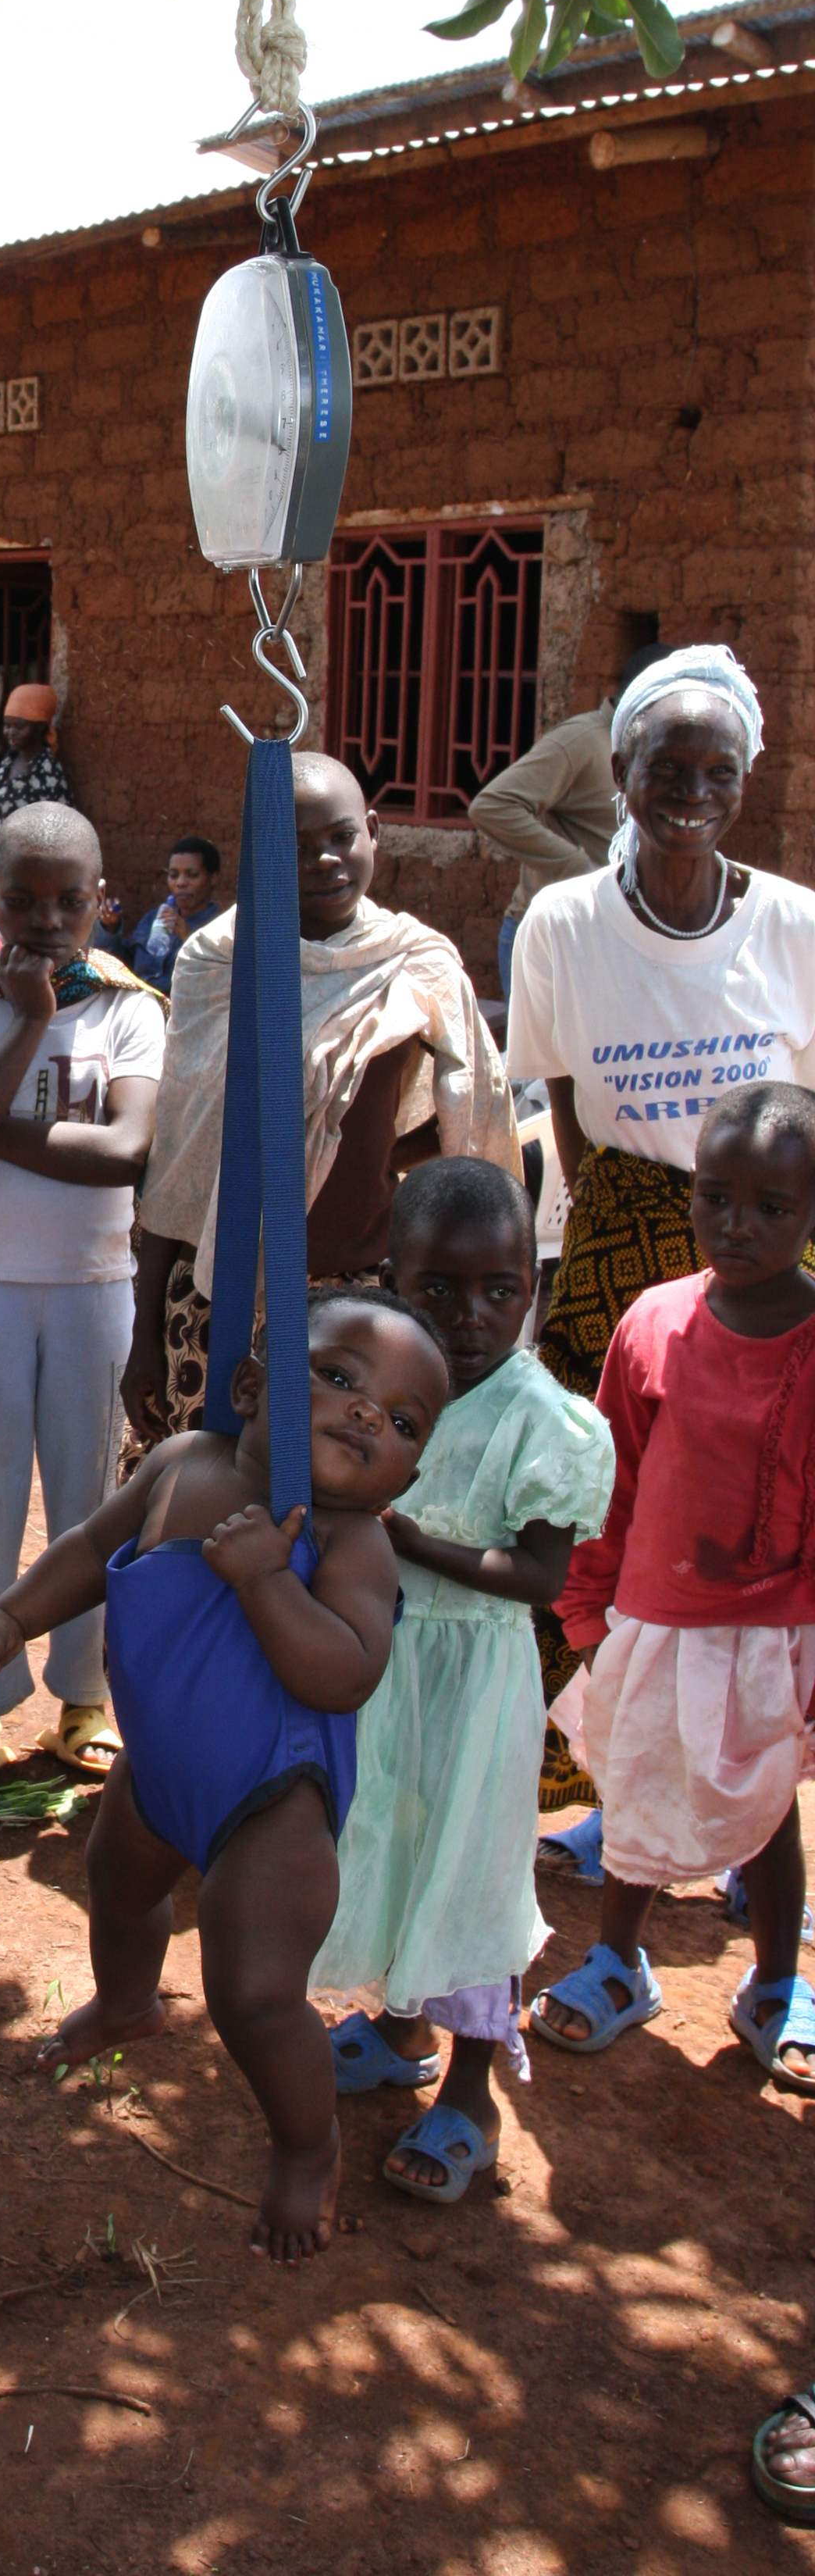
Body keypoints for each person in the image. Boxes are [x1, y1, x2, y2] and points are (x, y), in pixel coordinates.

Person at [0, 1289, 449, 2260]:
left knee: (255, 1993)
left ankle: (307, 2148)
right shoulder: (184, 1465)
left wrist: (266, 1578)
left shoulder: (352, 1544)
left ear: (407, 1472)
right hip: (161, 1768)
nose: (361, 1414)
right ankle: (129, 2002)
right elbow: (94, 1548)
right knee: (118, 1885)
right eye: (340, 1379)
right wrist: (12, 1616)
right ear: (254, 1386)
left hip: (273, 1803)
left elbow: (345, 1676)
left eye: (398, 1420)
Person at [505, 643, 815, 1820]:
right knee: (603, 1509)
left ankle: (750, 1803)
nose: (690, 790)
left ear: (743, 784)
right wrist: (610, 1230)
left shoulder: (794, 926)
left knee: (760, 1524)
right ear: (620, 768)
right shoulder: (565, 924)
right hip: (620, 1239)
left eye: (716, 770)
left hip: (773, 1261)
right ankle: (604, 1785)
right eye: (665, 765)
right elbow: (565, 1106)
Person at [312, 1160, 614, 2203]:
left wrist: (403, 1539)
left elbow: (536, 1576)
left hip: (479, 1678)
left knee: (474, 1868)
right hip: (385, 1665)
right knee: (388, 1837)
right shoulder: (384, 1388)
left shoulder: (546, 1419)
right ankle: (400, 2032)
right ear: (395, 1278)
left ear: (532, 1284)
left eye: (501, 1290)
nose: (471, 1315)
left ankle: (474, 2095)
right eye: (438, 1288)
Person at [534, 1085, 815, 2087]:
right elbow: (614, 1483)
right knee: (642, 1791)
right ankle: (617, 1959)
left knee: (769, 1802)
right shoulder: (653, 1324)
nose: (737, 1226)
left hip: (776, 1630)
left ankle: (777, 1980)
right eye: (716, 1197)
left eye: (772, 1208)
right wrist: (586, 1608)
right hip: (657, 1619)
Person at [127, 751, 519, 1443]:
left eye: (342, 837)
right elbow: (182, 1157)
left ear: (374, 831)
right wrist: (144, 1330)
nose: (325, 861)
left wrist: (364, 1152)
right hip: (222, 1289)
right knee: (206, 1504)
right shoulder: (220, 961)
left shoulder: (415, 960)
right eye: (297, 847)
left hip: (365, 1289)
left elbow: (471, 1118)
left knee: (347, 1510)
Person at [0, 803, 163, 1787]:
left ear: (103, 901)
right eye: (23, 900)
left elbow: (127, 1153)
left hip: (94, 1290)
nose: (47, 921)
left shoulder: (130, 1005)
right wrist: (32, 1024)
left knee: (92, 1507)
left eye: (70, 902)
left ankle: (83, 1700)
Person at [468, 644, 669, 1004]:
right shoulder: (583, 740)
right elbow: (493, 805)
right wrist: (577, 866)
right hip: (551, 936)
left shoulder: (653, 753)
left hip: (613, 936)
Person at [0, 682, 72, 858]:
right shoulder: (8, 762)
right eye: (7, 725)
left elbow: (60, 833)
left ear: (41, 727)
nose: (11, 732)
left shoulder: (49, 773)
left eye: (19, 727)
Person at [135, 836, 222, 988]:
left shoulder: (220, 929)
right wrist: (110, 929)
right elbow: (121, 964)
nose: (181, 883)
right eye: (174, 875)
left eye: (192, 875)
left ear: (213, 878)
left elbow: (219, 983)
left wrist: (190, 939)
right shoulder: (153, 919)